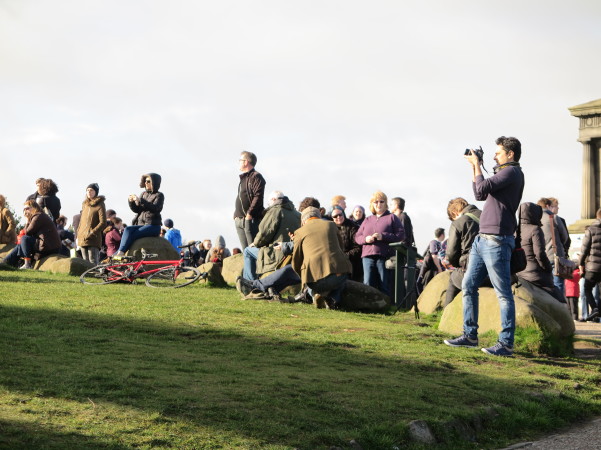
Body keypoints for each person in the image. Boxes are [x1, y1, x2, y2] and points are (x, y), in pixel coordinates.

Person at [444, 136, 525, 357]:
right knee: (468, 285)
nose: (494, 156)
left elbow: (482, 187)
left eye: (498, 152)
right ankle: (470, 335)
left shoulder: (511, 173)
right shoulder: (504, 173)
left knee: (502, 293)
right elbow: (479, 193)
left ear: (510, 154)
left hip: (497, 240)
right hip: (483, 239)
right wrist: (475, 167)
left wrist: (477, 165)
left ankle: (506, 343)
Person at [292, 207, 352, 309]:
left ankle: (315, 295)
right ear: (319, 216)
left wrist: (303, 279)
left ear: (303, 221)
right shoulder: (331, 225)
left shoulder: (299, 232)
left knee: (311, 278)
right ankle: (332, 300)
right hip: (335, 275)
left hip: (314, 282)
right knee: (344, 272)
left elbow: (296, 261)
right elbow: (341, 248)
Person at [242, 190, 300, 280]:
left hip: (276, 254)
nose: (268, 205)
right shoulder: (296, 213)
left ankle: (250, 284)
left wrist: (255, 243)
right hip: (292, 254)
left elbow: (264, 233)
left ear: (273, 199)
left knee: (247, 251)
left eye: (269, 202)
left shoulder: (275, 210)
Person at [355, 191, 404, 296]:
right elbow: (357, 237)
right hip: (367, 257)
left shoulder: (392, 218)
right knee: (367, 283)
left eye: (381, 201)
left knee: (384, 284)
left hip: (384, 256)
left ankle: (384, 308)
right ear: (372, 204)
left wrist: (383, 236)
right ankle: (368, 307)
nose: (378, 204)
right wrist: (366, 239)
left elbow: (401, 235)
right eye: (375, 202)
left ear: (385, 203)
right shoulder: (367, 219)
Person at [515, 202, 564, 303]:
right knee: (559, 298)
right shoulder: (535, 229)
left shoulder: (515, 230)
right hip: (536, 275)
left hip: (521, 274)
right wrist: (548, 268)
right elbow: (540, 254)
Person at [443, 198, 481, 308]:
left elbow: (451, 254)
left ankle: (446, 317)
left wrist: (454, 264)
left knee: (453, 277)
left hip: (474, 272)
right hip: (496, 272)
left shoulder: (458, 223)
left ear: (454, 212)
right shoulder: (487, 215)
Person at [113, 173, 164, 257]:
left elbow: (156, 208)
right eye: (145, 181)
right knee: (128, 229)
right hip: (141, 224)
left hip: (153, 225)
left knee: (134, 234)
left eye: (148, 181)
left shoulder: (159, 195)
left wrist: (141, 201)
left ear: (154, 182)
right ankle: (120, 251)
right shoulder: (143, 194)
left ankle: (121, 253)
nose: (146, 183)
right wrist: (131, 202)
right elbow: (137, 210)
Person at [2, 200, 61, 269]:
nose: (25, 211)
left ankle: (27, 264)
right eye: (24, 209)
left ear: (34, 207)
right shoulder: (39, 216)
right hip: (49, 245)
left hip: (49, 246)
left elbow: (27, 232)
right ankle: (5, 263)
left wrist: (27, 220)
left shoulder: (38, 216)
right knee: (20, 245)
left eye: (27, 208)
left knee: (24, 238)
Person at [537, 197, 570, 296]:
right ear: (547, 206)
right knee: (558, 284)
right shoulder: (554, 218)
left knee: (544, 286)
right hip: (554, 256)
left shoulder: (534, 219)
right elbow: (565, 237)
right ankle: (560, 308)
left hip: (540, 257)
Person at [234, 151, 266, 249]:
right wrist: (235, 216)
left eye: (240, 160)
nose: (238, 162)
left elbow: (258, 196)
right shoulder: (243, 178)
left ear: (246, 162)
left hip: (250, 219)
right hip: (239, 219)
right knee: (246, 252)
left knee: (253, 250)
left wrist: (249, 214)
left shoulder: (256, 176)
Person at [578, 208, 601, 321]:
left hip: (593, 267)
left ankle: (595, 309)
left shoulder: (591, 230)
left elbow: (584, 250)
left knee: (587, 288)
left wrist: (580, 264)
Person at [77, 183, 107, 265]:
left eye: (91, 190)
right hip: (82, 237)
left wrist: (92, 232)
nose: (89, 192)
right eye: (87, 190)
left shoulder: (100, 204)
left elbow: (103, 222)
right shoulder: (84, 204)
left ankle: (95, 277)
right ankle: (86, 277)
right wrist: (78, 234)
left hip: (93, 238)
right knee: (84, 262)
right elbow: (81, 222)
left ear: (96, 192)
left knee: (93, 262)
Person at [331, 205, 363, 282]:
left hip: (353, 264)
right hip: (336, 264)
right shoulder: (330, 228)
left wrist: (344, 256)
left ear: (343, 214)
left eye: (340, 214)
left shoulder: (353, 227)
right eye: (335, 216)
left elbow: (358, 248)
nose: (338, 217)